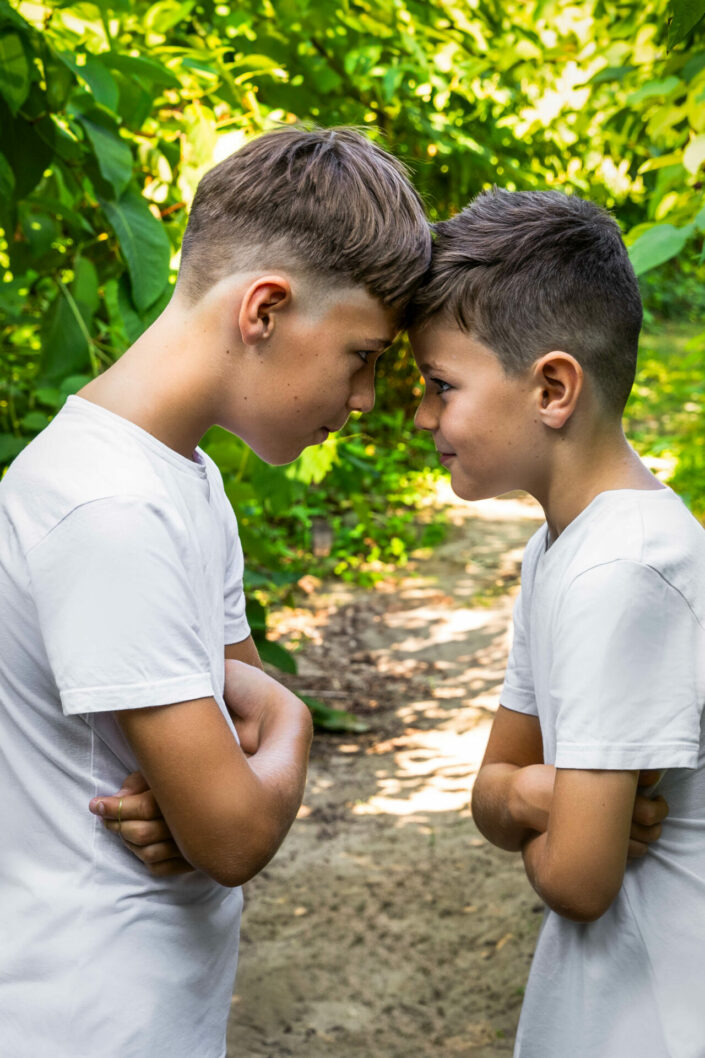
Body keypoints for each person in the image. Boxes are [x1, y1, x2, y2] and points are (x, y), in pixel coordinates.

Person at [0, 126, 431, 1057]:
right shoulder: (105, 506)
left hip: (155, 995)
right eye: (362, 356)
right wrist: (290, 735)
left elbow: (230, 740)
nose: (362, 400)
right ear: (264, 310)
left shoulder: (185, 480)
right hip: (81, 1015)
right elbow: (234, 831)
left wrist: (222, 778)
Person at [408, 188, 705, 1057]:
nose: (423, 418)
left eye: (439, 387)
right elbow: (494, 789)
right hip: (602, 1002)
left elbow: (577, 878)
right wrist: (533, 793)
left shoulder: (627, 569)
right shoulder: (563, 547)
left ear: (551, 387)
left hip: (656, 1013)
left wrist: (536, 809)